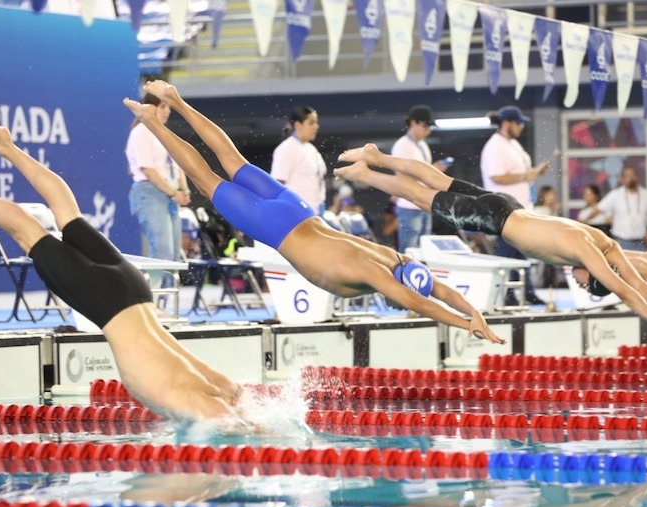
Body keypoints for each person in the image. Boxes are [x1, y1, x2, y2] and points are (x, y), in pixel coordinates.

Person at [123, 81, 505, 344]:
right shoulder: (376, 273)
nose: (393, 301)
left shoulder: (396, 258)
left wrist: (476, 313)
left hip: (299, 209)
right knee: (205, 178)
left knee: (231, 159)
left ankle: (178, 101)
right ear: (403, 283)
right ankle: (153, 122)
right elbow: (419, 301)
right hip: (278, 227)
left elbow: (436, 289)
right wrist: (466, 323)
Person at [0, 117, 243, 423]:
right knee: (29, 231)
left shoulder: (208, 388)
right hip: (114, 301)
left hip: (132, 290)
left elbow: (231, 394)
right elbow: (230, 408)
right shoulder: (206, 396)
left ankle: (7, 147)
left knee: (68, 214)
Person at [334, 143, 647, 345]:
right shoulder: (590, 254)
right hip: (496, 220)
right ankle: (367, 172)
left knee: (438, 180)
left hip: (509, 207)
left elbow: (639, 282)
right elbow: (627, 291)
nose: (576, 278)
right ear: (595, 274)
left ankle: (378, 156)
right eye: (583, 282)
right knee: (421, 196)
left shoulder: (604, 244)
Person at [480, 105, 550, 305]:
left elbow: (522, 173)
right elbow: (496, 176)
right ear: (506, 123)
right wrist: (524, 175)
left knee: (523, 250)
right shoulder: (495, 146)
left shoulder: (513, 144)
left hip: (521, 208)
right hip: (504, 208)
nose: (521, 127)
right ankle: (506, 294)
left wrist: (534, 172)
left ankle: (526, 290)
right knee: (508, 252)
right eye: (518, 123)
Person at [125, 93, 191, 287]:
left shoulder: (163, 132)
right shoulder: (141, 132)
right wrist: (173, 193)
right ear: (150, 108)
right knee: (160, 252)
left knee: (172, 256)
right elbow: (148, 170)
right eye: (163, 106)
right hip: (150, 192)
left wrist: (184, 190)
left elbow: (177, 164)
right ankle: (149, 302)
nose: (168, 111)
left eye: (168, 107)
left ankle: (162, 302)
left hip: (170, 194)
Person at [392, 105, 450, 252]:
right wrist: (432, 171)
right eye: (425, 125)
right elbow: (402, 174)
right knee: (410, 250)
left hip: (424, 202)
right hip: (409, 203)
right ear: (413, 123)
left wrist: (432, 169)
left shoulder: (422, 145)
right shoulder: (402, 145)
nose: (428, 130)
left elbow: (421, 171)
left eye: (430, 126)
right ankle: (405, 276)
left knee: (425, 250)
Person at [270, 106, 327, 213]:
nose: (316, 126)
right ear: (298, 125)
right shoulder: (287, 148)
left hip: (314, 209)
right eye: (311, 123)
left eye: (316, 123)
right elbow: (276, 185)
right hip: (295, 212)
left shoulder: (311, 149)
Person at [597, 165, 647, 251]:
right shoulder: (616, 194)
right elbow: (599, 208)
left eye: (633, 175)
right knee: (621, 264)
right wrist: (583, 220)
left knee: (641, 264)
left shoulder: (646, 195)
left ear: (637, 177)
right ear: (622, 179)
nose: (631, 178)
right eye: (627, 175)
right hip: (621, 241)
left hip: (640, 242)